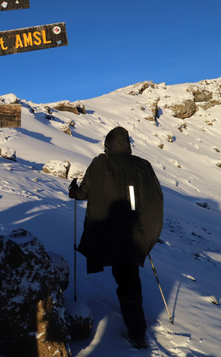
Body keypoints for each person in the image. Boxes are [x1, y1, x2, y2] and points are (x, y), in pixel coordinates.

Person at [69, 126, 163, 349]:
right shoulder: (142, 165)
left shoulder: (100, 163)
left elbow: (84, 193)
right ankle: (137, 331)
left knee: (125, 281)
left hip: (107, 235)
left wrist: (73, 190)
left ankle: (135, 333)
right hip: (133, 234)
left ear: (109, 143)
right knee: (129, 280)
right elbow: (153, 197)